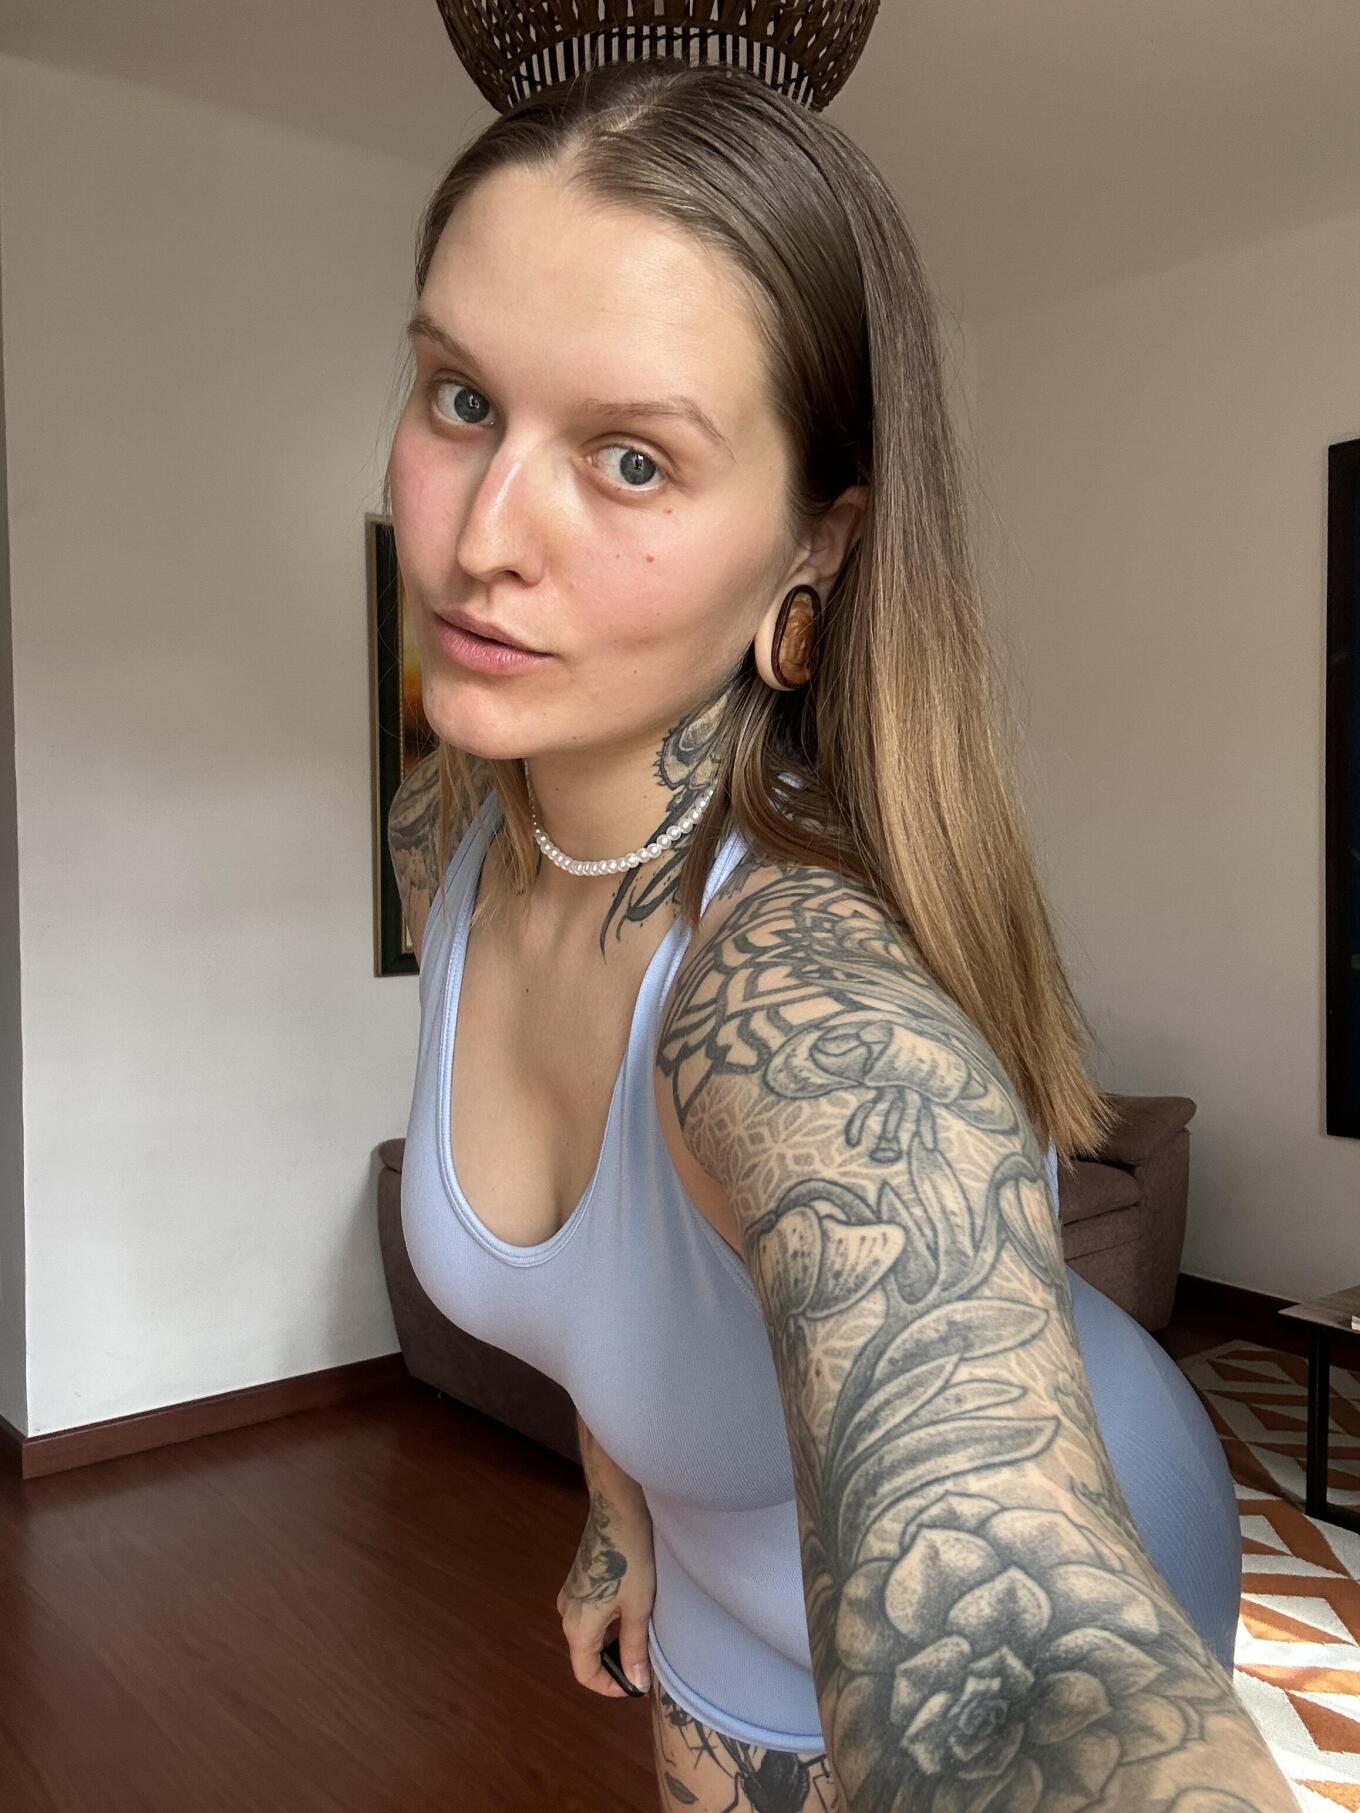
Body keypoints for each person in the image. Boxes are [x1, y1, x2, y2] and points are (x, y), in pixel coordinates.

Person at [384, 56, 1294, 1813]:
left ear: (817, 544)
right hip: (722, 1577)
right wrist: (616, 1502)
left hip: (1089, 1518)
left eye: (631, 459)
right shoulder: (452, 833)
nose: (485, 538)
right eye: (462, 397)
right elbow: (614, 1297)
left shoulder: (805, 998)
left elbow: (1032, 1681)